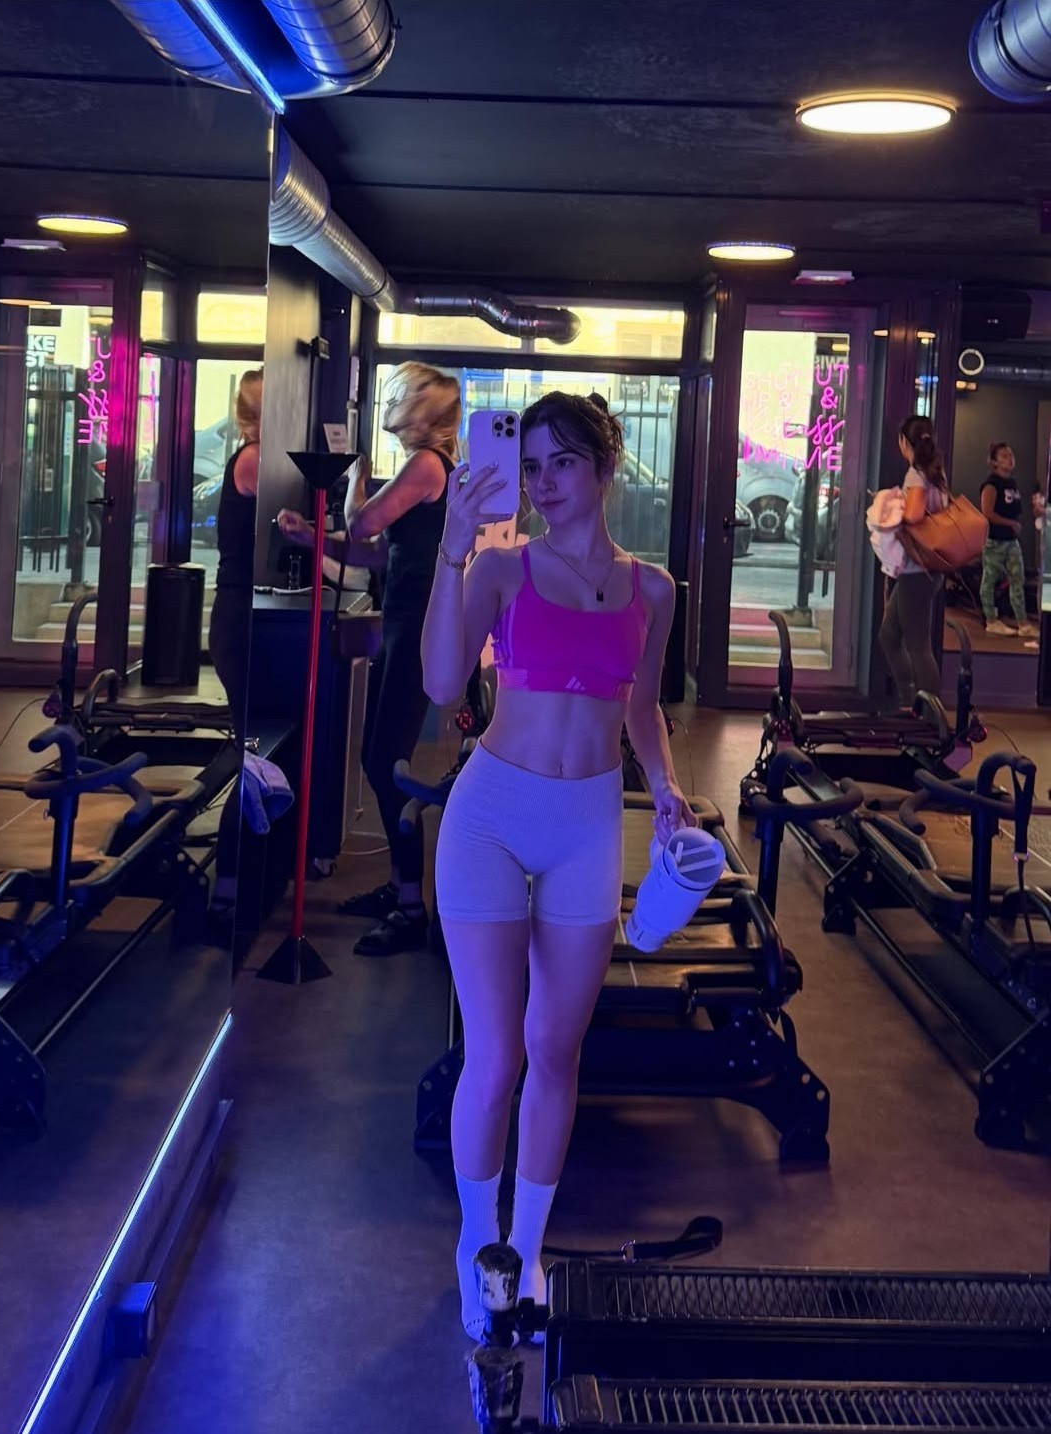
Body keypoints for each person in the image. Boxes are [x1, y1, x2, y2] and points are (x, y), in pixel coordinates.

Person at [420, 392, 693, 1339]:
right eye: (530, 465)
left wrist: (666, 786)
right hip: (492, 817)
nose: (542, 483)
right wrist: (451, 550)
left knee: (557, 1049)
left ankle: (527, 1249)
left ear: (605, 468)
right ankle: (476, 1244)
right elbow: (442, 683)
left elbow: (642, 708)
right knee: (495, 1055)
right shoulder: (501, 568)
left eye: (562, 463)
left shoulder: (654, 590)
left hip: (587, 820)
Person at [277, 362, 460, 955]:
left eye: (399, 394)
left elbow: (362, 523)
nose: (390, 402)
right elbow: (380, 555)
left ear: (420, 408)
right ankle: (400, 888)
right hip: (405, 623)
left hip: (419, 630)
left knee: (387, 763)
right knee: (377, 758)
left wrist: (354, 474)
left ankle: (411, 905)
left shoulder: (426, 464)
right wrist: (311, 538)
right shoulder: (425, 467)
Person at [208, 369, 262, 921]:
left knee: (260, 748)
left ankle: (244, 877)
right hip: (238, 618)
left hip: (245, 616)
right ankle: (227, 885)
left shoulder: (259, 456)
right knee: (253, 750)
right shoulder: (253, 459)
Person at [878, 413, 950, 707]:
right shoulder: (935, 473)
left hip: (916, 571)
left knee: (918, 645)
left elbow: (914, 515)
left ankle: (928, 712)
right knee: (889, 635)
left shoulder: (916, 475)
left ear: (903, 442)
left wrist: (895, 509)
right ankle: (910, 700)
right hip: (926, 568)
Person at [980, 442, 1035, 638]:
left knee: (1017, 579)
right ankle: (991, 620)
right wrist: (1010, 523)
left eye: (1011, 455)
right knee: (990, 580)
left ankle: (1023, 623)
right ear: (994, 461)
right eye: (1004, 456)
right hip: (994, 541)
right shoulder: (991, 484)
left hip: (1011, 541)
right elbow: (987, 512)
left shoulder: (1012, 483)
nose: (1010, 459)